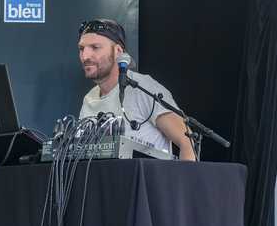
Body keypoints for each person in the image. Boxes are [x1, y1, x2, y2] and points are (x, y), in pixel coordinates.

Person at [76, 19, 196, 161]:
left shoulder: (143, 88)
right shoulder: (89, 99)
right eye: (82, 49)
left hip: (147, 176)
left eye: (95, 47)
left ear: (118, 51)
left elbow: (187, 141)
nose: (85, 56)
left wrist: (181, 176)